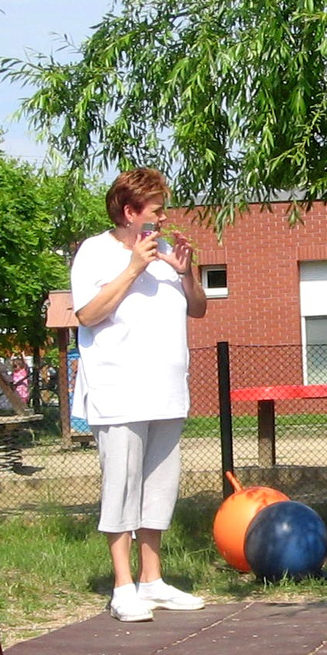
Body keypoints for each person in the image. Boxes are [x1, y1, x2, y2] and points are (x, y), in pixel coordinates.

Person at [71, 168, 208, 621]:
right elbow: (88, 315)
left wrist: (186, 275)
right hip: (119, 391)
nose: (164, 218)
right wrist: (134, 267)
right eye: (156, 210)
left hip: (167, 391)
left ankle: (152, 579)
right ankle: (122, 586)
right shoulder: (95, 251)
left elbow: (199, 309)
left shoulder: (165, 251)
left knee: (159, 489)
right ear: (130, 212)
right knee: (121, 486)